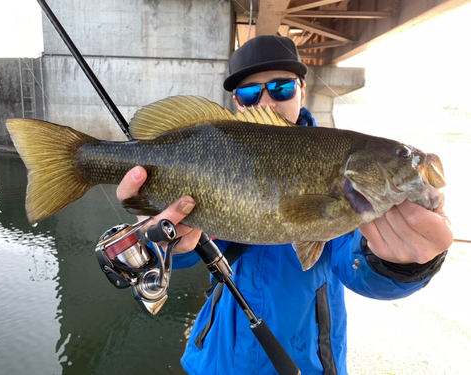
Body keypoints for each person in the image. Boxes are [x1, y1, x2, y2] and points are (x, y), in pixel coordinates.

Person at [116, 36, 453, 374]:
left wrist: (401, 266)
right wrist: (165, 241)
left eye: (281, 88)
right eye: (250, 93)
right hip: (214, 361)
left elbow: (356, 262)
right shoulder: (217, 151)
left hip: (305, 365)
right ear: (236, 102)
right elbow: (191, 247)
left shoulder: (344, 185)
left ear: (302, 91)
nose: (266, 102)